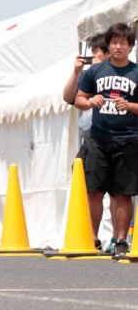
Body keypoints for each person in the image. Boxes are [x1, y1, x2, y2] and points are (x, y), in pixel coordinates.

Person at [74, 22, 138, 259]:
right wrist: (90, 103)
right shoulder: (95, 72)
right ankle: (92, 238)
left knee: (123, 193)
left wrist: (130, 105)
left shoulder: (136, 72)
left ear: (131, 46)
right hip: (98, 139)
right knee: (94, 191)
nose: (118, 46)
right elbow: (78, 99)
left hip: (128, 139)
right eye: (114, 42)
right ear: (109, 45)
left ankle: (121, 240)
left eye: (123, 42)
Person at [62, 34, 117, 252]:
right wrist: (76, 72)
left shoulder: (116, 77)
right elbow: (67, 97)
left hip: (113, 137)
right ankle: (92, 237)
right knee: (91, 190)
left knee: (115, 191)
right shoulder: (88, 78)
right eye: (91, 53)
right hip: (91, 141)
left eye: (97, 53)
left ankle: (115, 239)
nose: (92, 58)